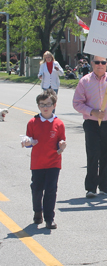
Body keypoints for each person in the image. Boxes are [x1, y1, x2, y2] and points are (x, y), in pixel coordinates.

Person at [73, 56, 107, 198]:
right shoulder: (85, 81)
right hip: (92, 123)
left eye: (103, 62)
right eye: (97, 62)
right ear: (92, 64)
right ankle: (91, 188)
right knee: (93, 154)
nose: (100, 65)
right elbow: (77, 103)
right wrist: (92, 111)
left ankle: (104, 185)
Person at [22, 89, 66, 229]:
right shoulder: (33, 122)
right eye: (42, 104)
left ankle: (49, 218)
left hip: (54, 162)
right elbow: (28, 140)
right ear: (38, 106)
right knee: (37, 189)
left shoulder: (59, 123)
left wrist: (62, 146)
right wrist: (27, 142)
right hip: (38, 163)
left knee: (51, 189)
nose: (45, 107)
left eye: (48, 104)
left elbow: (61, 142)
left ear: (54, 105)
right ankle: (37, 212)